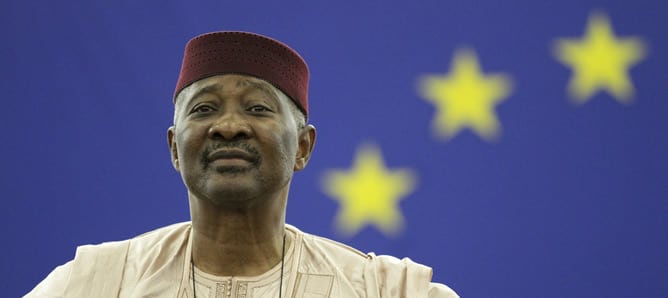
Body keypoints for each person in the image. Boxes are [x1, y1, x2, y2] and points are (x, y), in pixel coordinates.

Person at [25, 31, 459, 298]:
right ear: (175, 149)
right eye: (204, 109)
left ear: (304, 147)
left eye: (257, 109)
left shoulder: (384, 290)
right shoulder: (101, 282)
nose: (228, 126)